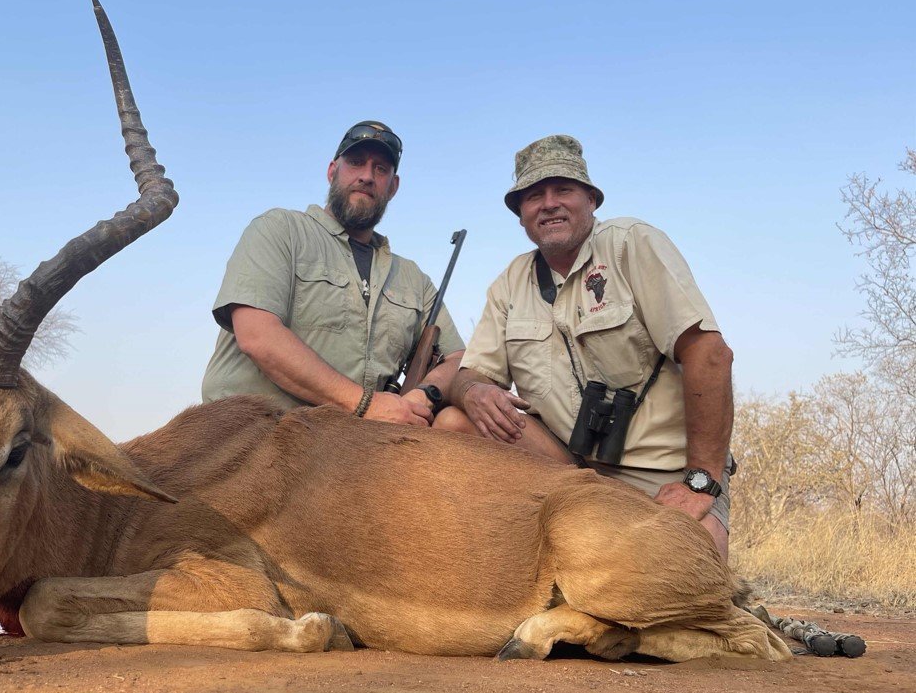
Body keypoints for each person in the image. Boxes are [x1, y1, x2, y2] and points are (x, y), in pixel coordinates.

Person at [434, 135, 735, 559]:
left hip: (663, 478)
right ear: (521, 215)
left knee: (686, 571)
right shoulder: (509, 282)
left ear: (591, 199)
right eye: (534, 196)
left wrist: (700, 481)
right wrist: (474, 391)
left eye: (564, 190)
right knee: (452, 422)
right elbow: (470, 373)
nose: (549, 203)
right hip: (567, 470)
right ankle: (483, 567)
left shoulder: (632, 242)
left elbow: (709, 353)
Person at [202, 121, 465, 426]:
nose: (367, 176)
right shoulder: (279, 229)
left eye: (381, 169)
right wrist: (366, 404)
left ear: (393, 187)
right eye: (355, 163)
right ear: (332, 171)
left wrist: (424, 394)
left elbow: (458, 358)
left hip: (349, 448)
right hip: (252, 433)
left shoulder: (415, 280)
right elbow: (257, 335)